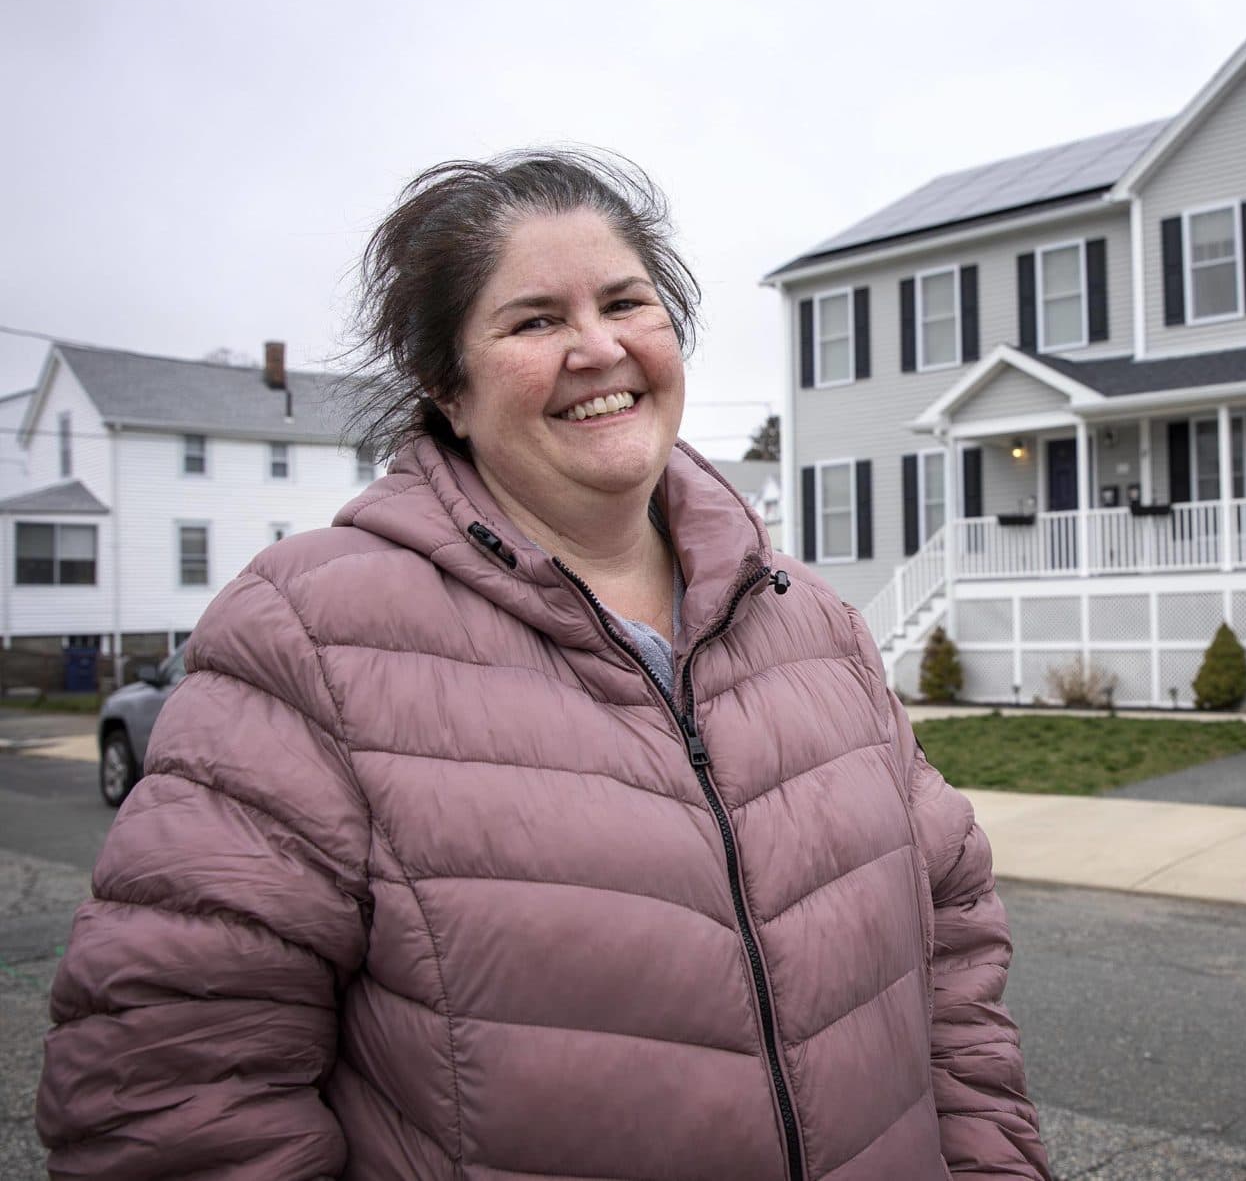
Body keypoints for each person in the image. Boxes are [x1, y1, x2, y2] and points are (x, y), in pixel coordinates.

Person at [36, 150, 1050, 1180]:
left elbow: (952, 949)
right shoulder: (310, 634)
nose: (598, 347)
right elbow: (168, 1088)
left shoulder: (813, 622)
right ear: (447, 387)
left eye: (626, 302)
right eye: (536, 321)